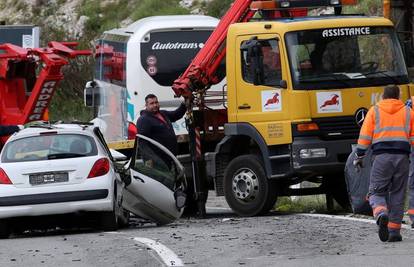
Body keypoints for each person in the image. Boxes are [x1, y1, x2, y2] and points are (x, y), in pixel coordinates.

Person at [353, 85, 414, 242]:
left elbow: (365, 136)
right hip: (402, 158)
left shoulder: (375, 111)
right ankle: (394, 231)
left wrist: (359, 155)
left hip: (381, 158)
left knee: (376, 192)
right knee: (398, 193)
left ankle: (381, 213)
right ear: (398, 96)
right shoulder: (408, 112)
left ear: (383, 96)